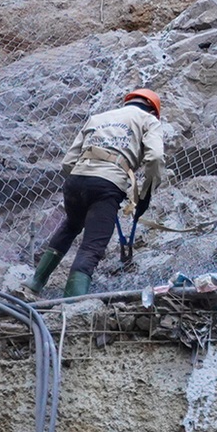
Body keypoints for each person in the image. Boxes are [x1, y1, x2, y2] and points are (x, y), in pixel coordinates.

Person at [28, 88, 166, 297]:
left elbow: (67, 162)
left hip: (75, 181)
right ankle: (73, 303)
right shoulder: (149, 121)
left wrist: (85, 176)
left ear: (128, 102)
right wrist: (145, 193)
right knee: (92, 246)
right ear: (154, 111)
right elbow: (155, 158)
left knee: (71, 225)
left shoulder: (98, 118)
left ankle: (33, 284)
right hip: (107, 185)